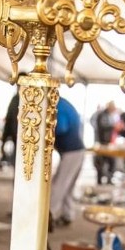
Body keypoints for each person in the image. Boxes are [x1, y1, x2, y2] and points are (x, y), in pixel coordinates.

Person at [48, 95, 87, 226]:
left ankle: (49, 215)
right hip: (76, 150)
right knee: (67, 186)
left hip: (72, 151)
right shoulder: (63, 103)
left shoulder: (58, 105)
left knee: (60, 184)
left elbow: (61, 128)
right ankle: (67, 215)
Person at [91, 101, 119, 184]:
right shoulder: (102, 115)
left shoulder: (108, 115)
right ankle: (100, 180)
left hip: (107, 142)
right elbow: (102, 127)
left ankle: (108, 179)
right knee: (101, 162)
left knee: (110, 162)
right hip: (102, 143)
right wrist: (113, 126)